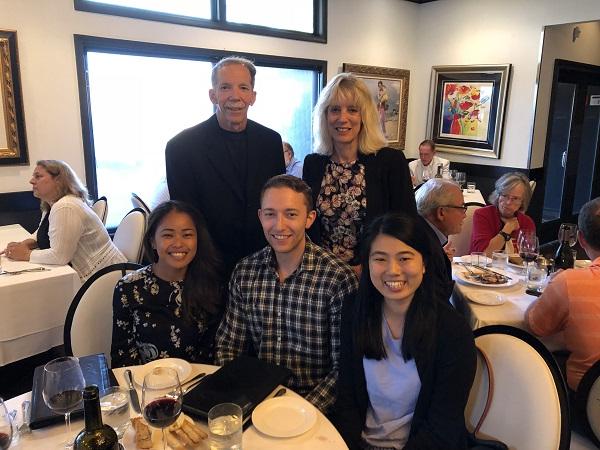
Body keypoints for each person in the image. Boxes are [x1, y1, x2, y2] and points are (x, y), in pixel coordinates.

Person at [215, 175, 358, 413]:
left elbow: (343, 369)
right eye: (270, 214)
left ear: (309, 218)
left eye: (291, 214)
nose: (279, 225)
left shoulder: (337, 279)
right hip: (254, 401)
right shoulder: (245, 272)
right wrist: (240, 398)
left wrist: (299, 412)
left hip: (313, 408)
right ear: (261, 217)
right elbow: (229, 345)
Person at [334, 212, 476, 450]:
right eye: (380, 259)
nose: (393, 270)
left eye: (404, 258)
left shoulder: (451, 331)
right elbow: (347, 398)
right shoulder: (354, 311)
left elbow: (443, 428)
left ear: (424, 264)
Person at [165, 56, 285, 276]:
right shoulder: (181, 147)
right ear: (213, 95)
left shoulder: (270, 141)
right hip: (208, 265)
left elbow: (277, 203)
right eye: (225, 87)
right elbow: (185, 216)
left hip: (263, 265)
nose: (235, 96)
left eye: (243, 88)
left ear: (253, 96)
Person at [303, 72, 416, 270]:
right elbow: (309, 226)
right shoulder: (313, 163)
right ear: (325, 115)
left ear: (364, 116)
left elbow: (406, 226)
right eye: (335, 109)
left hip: (375, 275)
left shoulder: (390, 161)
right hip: (324, 276)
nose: (342, 118)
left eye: (352, 110)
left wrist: (366, 268)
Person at [111, 200, 224, 367]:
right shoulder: (128, 288)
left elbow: (212, 354)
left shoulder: (211, 286)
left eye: (187, 235)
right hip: (145, 386)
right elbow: (122, 357)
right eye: (168, 235)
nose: (178, 243)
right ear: (152, 241)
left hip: (197, 384)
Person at [1, 160, 125, 282]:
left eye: (38, 176)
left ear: (58, 181)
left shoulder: (66, 206)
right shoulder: (51, 203)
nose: (31, 180)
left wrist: (26, 254)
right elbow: (43, 231)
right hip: (101, 275)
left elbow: (60, 257)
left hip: (106, 278)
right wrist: (26, 244)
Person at [525, 197, 600, 393]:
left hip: (587, 404)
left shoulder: (569, 282)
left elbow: (535, 326)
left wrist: (553, 285)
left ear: (581, 239)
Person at [415, 178, 467, 303]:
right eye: (461, 208)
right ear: (441, 213)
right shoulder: (427, 250)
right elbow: (436, 305)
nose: (464, 215)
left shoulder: (420, 232)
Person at [469, 172, 535, 256]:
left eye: (515, 198)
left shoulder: (527, 222)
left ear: (522, 202)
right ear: (498, 195)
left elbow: (528, 255)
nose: (508, 202)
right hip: (479, 267)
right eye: (505, 195)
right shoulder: (483, 215)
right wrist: (506, 230)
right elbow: (485, 254)